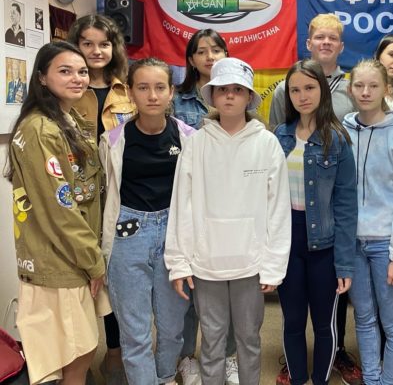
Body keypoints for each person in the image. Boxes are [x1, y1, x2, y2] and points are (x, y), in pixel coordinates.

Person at [165, 57, 292, 384]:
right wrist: (179, 262)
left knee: (249, 339)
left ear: (249, 96)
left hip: (251, 263)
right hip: (206, 263)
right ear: (212, 95)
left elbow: (278, 208)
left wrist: (274, 265)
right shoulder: (196, 144)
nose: (230, 95)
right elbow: (181, 204)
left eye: (238, 89)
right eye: (223, 89)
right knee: (212, 340)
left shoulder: (266, 143)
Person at [7, 41, 106, 385]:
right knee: (77, 354)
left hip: (69, 253)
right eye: (65, 71)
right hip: (61, 258)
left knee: (76, 351)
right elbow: (60, 208)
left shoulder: (66, 118)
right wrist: (93, 260)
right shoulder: (41, 129)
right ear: (42, 78)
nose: (78, 78)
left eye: (82, 72)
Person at [270, 13, 360, 385]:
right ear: (287, 95)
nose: (303, 96)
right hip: (287, 242)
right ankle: (297, 377)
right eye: (295, 90)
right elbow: (267, 198)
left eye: (309, 88)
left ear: (322, 91)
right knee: (292, 321)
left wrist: (345, 262)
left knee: (325, 324)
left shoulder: (337, 139)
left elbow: (346, 204)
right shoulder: (278, 136)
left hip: (324, 243)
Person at [99, 58, 192, 384]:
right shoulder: (112, 140)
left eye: (159, 87)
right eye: (143, 87)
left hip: (173, 233)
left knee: (172, 327)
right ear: (130, 93)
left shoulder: (189, 138)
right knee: (134, 331)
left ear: (171, 93)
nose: (152, 95)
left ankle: (165, 377)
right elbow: (106, 194)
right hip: (128, 234)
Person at [343, 59, 393, 385]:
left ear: (386, 89)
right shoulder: (344, 130)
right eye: (359, 85)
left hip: (386, 245)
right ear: (350, 89)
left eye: (373, 86)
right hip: (353, 243)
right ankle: (372, 379)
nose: (365, 92)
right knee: (363, 317)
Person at [68, 14, 136, 384]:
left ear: (114, 48)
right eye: (88, 44)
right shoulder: (66, 88)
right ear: (75, 46)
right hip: (77, 198)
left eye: (104, 44)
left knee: (114, 278)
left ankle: (114, 353)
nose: (96, 51)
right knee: (79, 277)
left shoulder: (127, 90)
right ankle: (76, 360)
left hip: (118, 197)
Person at [171, 29, 237, 385]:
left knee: (227, 289)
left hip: (228, 201)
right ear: (191, 59)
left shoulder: (237, 93)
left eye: (216, 50)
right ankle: (187, 357)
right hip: (189, 199)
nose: (210, 56)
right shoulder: (177, 100)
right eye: (201, 51)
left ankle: (228, 356)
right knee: (189, 289)